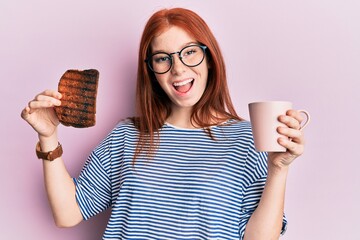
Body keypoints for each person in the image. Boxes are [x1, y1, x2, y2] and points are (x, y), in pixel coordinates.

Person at [21, 7, 307, 240]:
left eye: (190, 52)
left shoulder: (248, 139)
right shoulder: (126, 135)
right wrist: (48, 137)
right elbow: (68, 213)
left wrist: (279, 169)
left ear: (210, 58)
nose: (178, 68)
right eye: (162, 58)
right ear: (152, 71)